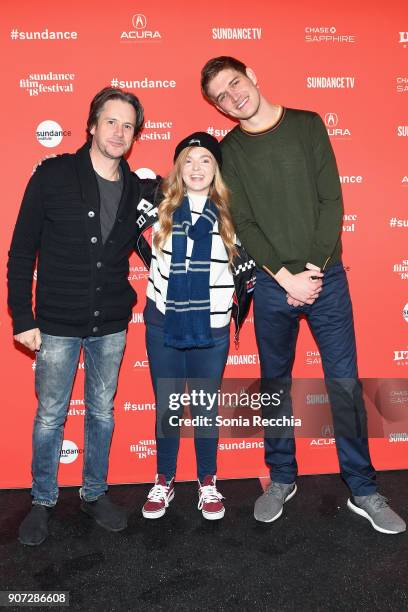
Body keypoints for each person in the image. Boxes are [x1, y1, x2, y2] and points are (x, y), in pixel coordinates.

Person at [200, 56, 406, 534]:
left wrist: (311, 271)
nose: (233, 98)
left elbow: (331, 199)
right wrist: (285, 277)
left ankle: (363, 487)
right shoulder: (229, 151)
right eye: (221, 98)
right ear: (218, 107)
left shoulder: (309, 125)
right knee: (275, 384)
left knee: (344, 383)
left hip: (326, 277)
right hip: (273, 285)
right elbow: (243, 223)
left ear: (251, 74)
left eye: (234, 84)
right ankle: (281, 478)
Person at [7, 87, 158, 545]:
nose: (119, 132)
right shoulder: (53, 174)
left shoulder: (138, 189)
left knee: (102, 413)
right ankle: (42, 499)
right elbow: (20, 252)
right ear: (91, 125)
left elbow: (194, 188)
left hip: (111, 324)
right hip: (54, 323)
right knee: (51, 414)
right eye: (110, 121)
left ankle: (94, 493)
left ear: (135, 136)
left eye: (128, 125)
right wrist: (22, 317)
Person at [134, 132, 255, 520]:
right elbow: (111, 182)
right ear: (178, 168)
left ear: (216, 168)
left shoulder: (233, 214)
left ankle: (207, 482)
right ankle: (164, 479)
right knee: (168, 407)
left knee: (204, 407)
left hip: (212, 327)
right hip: (163, 323)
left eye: (205, 160)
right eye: (189, 160)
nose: (197, 168)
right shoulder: (159, 207)